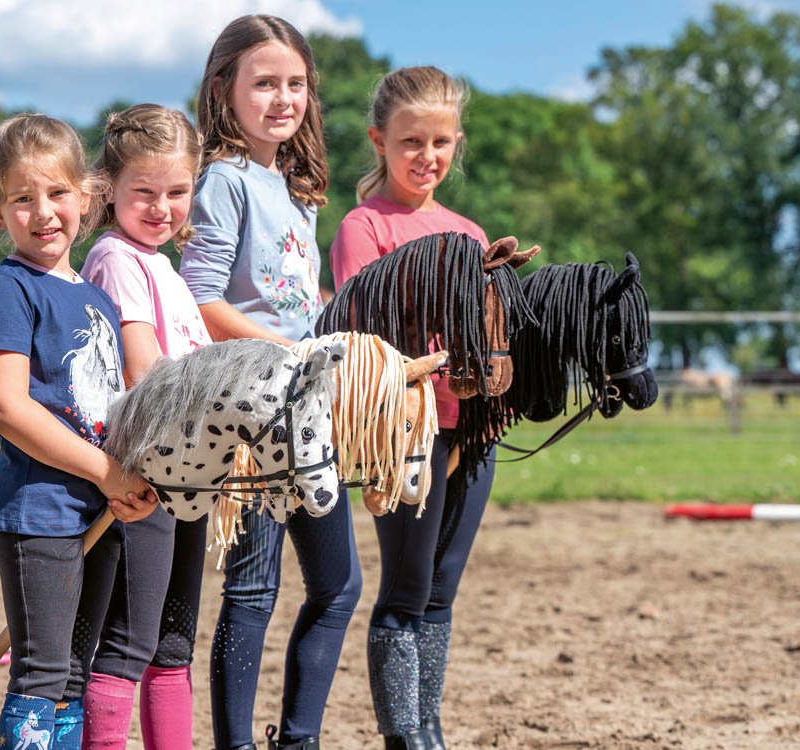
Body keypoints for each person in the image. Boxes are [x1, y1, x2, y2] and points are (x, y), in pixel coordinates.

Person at [178, 15, 361, 750]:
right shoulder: (224, 181)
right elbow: (204, 300)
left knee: (338, 586)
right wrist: (294, 348)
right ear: (225, 91)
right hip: (250, 410)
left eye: (295, 84)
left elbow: (297, 299)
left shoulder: (298, 192)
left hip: (306, 407)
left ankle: (298, 740)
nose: (283, 98)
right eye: (264, 84)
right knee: (253, 592)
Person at [0, 113, 157, 750]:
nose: (44, 212)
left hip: (96, 508)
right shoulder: (10, 290)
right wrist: (107, 472)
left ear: (86, 194)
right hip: (39, 512)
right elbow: (7, 407)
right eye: (23, 199)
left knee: (75, 677)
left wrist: (124, 479)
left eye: (56, 194)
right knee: (43, 675)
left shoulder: (96, 298)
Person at [329, 66, 498, 750]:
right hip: (405, 435)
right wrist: (437, 376)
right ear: (379, 141)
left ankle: (430, 729)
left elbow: (488, 335)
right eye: (411, 142)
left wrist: (491, 371)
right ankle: (405, 738)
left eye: (440, 142)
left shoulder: (469, 232)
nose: (427, 157)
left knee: (442, 589)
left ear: (457, 142)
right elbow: (363, 342)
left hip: (472, 433)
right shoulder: (363, 228)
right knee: (406, 588)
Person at [77, 103, 212, 750]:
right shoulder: (116, 257)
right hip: (143, 475)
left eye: (178, 191)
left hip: (190, 471)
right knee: (129, 641)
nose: (162, 207)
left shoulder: (164, 265)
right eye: (145, 192)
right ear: (110, 188)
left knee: (175, 640)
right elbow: (146, 371)